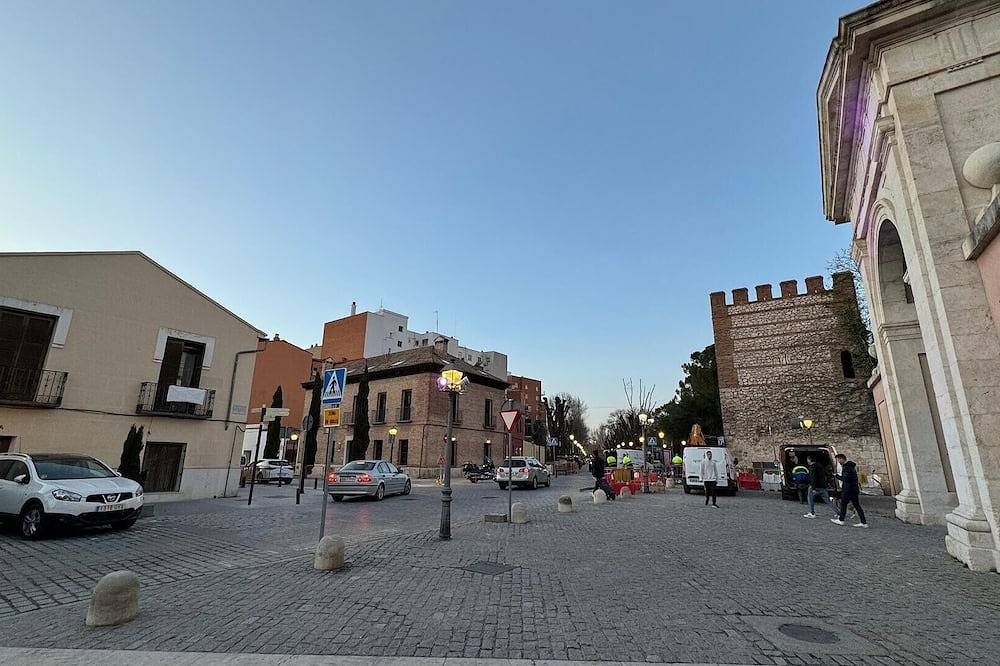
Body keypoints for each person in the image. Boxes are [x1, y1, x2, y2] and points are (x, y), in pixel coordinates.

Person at [832, 453, 868, 528]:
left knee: (844, 504)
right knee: (857, 506)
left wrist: (837, 476)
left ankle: (841, 520)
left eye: (839, 459)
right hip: (854, 489)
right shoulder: (851, 467)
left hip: (848, 490)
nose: (838, 461)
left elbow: (846, 479)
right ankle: (863, 522)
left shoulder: (846, 468)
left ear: (842, 459)